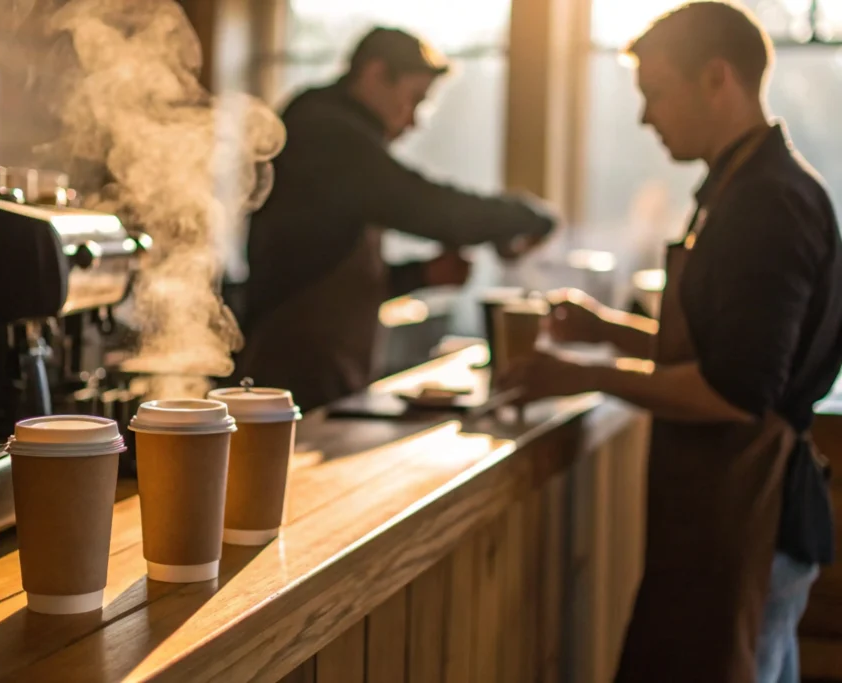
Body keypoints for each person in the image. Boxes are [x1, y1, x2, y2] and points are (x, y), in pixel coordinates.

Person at [498, 3, 842, 682]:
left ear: (717, 79)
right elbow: (724, 349)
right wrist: (606, 330)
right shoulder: (736, 187)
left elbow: (733, 391)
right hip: (725, 516)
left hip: (755, 519)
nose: (644, 117)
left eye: (656, 93)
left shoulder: (767, 203)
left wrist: (584, 374)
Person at [237, 27, 557, 411]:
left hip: (324, 370)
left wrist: (422, 275)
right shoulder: (325, 132)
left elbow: (325, 272)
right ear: (376, 74)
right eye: (414, 99)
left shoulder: (334, 136)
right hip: (293, 371)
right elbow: (427, 208)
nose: (414, 121)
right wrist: (528, 217)